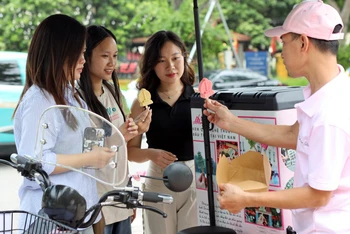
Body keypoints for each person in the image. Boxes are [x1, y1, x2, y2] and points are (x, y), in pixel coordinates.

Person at [203, 1, 349, 233]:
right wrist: (229, 122)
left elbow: (318, 195)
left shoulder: (330, 113)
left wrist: (246, 198)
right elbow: (293, 134)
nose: (279, 53)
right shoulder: (328, 95)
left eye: (283, 42)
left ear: (303, 42)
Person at [13, 14, 116, 233]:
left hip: (77, 213)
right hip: (50, 216)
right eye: (78, 53)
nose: (83, 60)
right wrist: (90, 158)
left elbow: (84, 142)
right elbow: (35, 162)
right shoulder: (39, 100)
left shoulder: (71, 94)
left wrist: (117, 139)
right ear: (59, 53)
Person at [76, 25, 151, 234]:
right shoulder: (76, 98)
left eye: (115, 56)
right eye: (105, 56)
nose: (112, 63)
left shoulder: (114, 92)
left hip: (120, 194)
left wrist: (137, 128)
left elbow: (123, 145)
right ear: (86, 55)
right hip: (96, 199)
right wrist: (123, 134)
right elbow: (86, 153)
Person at [128, 30, 198, 234]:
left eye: (176, 58)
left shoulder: (199, 98)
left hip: (195, 179)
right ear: (152, 65)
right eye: (161, 61)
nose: (171, 66)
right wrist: (152, 154)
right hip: (159, 180)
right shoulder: (142, 103)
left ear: (184, 58)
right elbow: (131, 151)